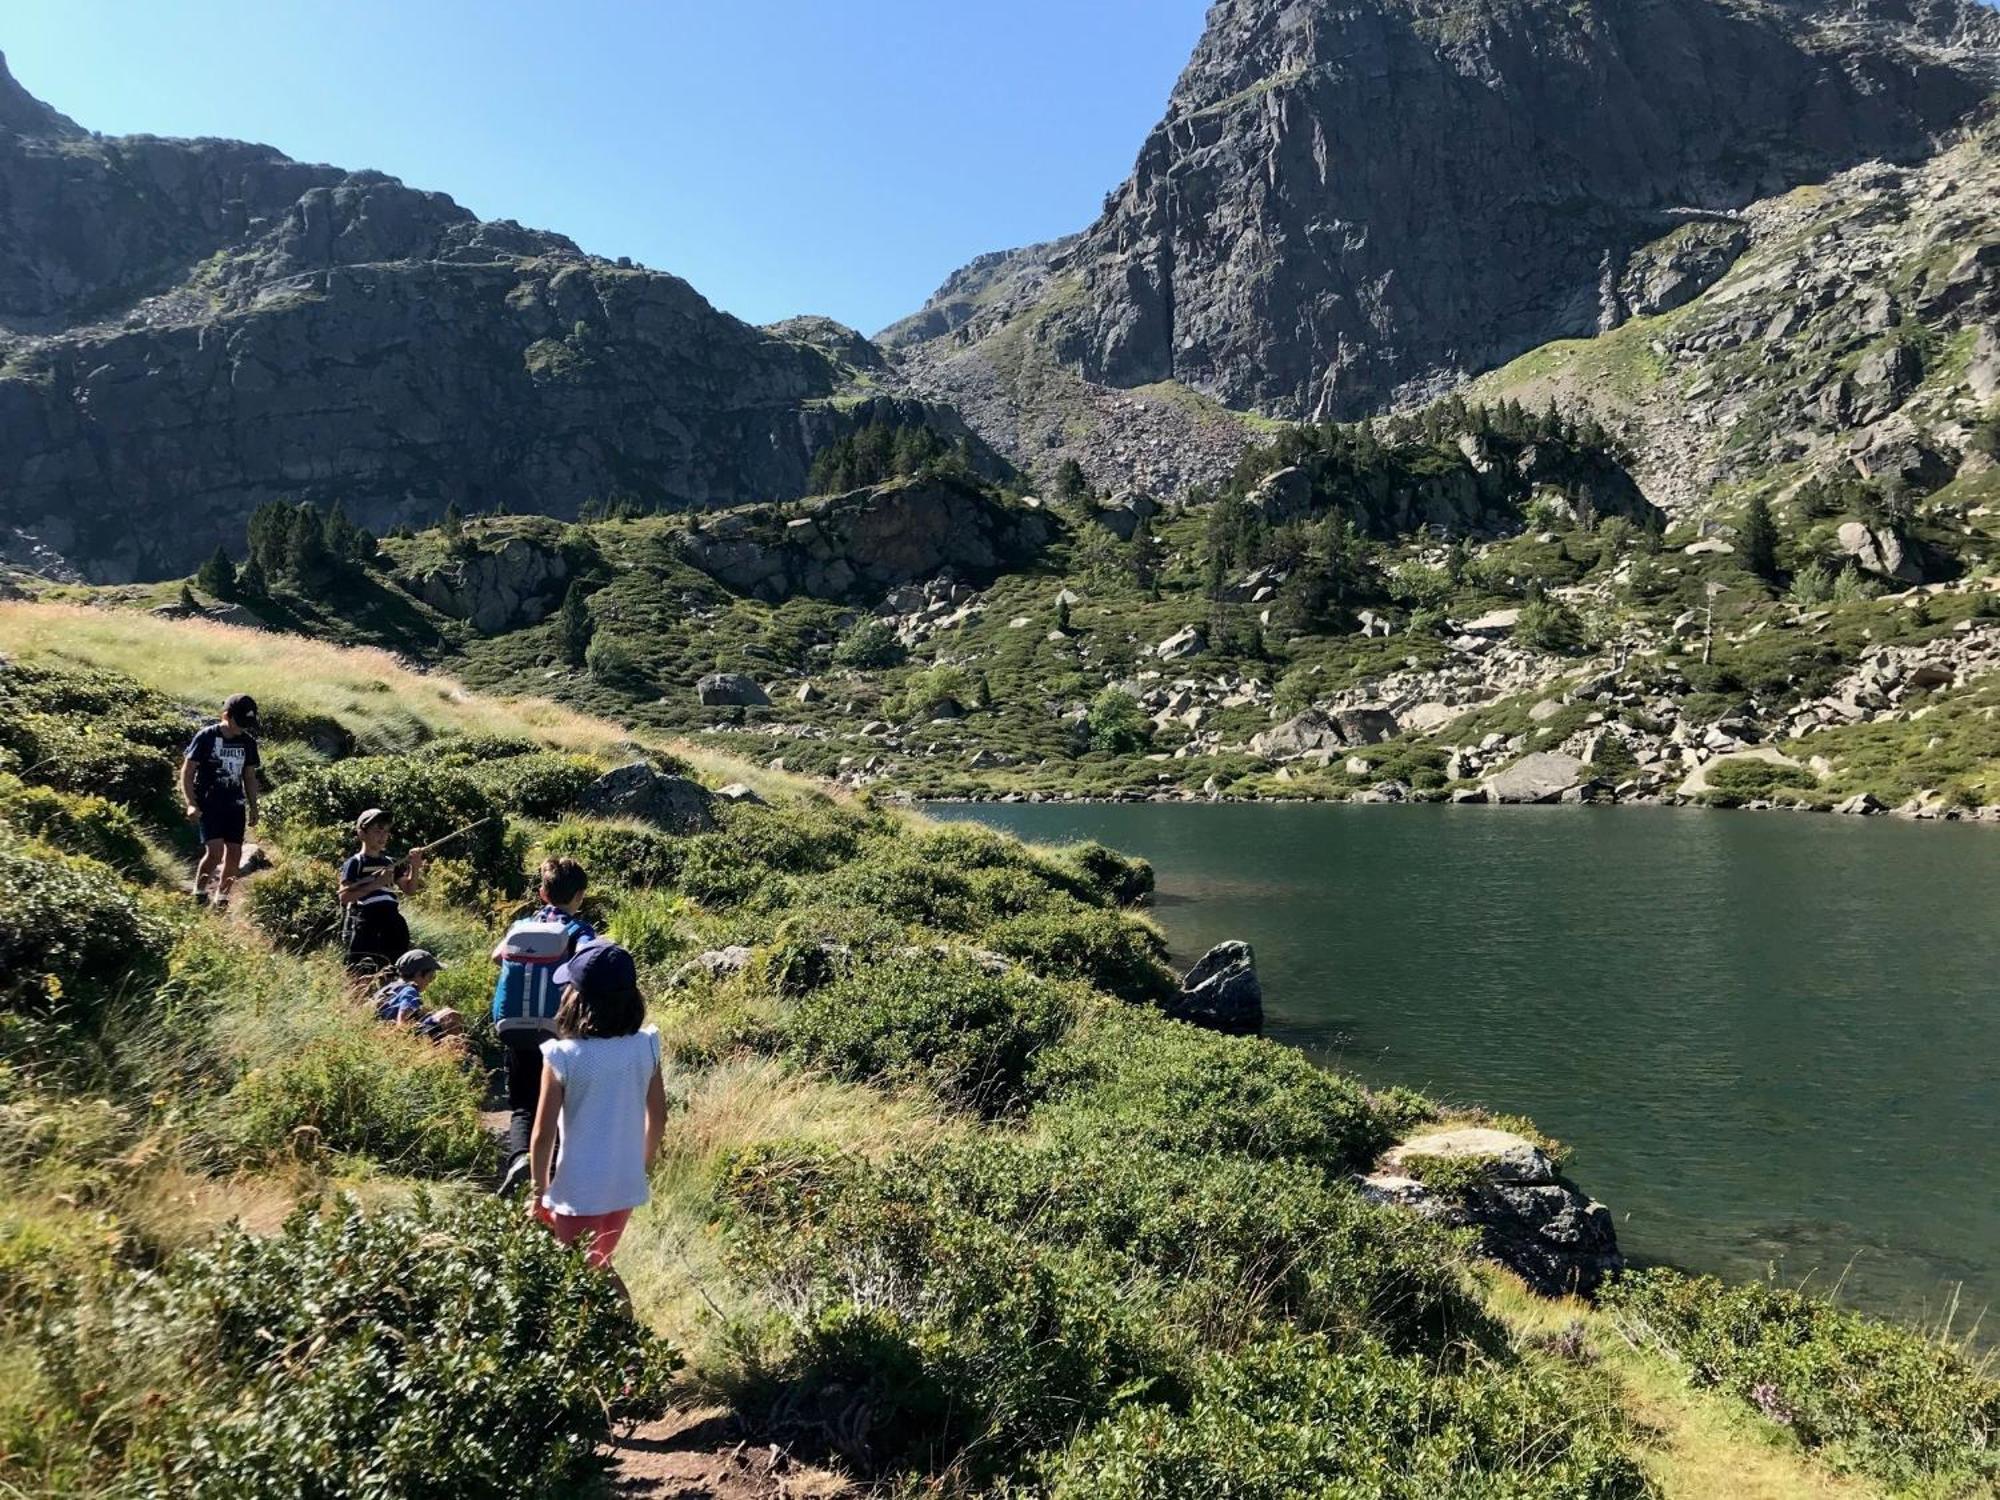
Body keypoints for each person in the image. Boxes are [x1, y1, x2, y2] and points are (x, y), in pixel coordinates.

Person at [528, 940, 665, 1288]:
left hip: (578, 1191)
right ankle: (626, 1335)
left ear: (576, 1000)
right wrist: (642, 1167)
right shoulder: (645, 1046)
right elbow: (659, 1118)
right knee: (599, 1266)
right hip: (625, 1184)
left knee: (576, 1278)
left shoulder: (562, 1056)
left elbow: (543, 1135)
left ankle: (619, 1337)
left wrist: (538, 1192)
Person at [492, 857, 597, 1198]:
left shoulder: (522, 924)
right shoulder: (578, 931)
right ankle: (553, 1176)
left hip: (515, 1025)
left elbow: (498, 956)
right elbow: (588, 966)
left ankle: (521, 1158)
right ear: (579, 896)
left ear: (541, 893)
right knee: (559, 1101)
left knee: (523, 1102)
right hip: (557, 1030)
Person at [179, 694, 261, 907]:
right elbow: (187, 772)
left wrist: (254, 807)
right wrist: (191, 803)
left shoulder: (248, 743)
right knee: (215, 853)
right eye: (240, 723)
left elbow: (249, 776)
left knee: (235, 854)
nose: (243, 728)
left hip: (235, 806)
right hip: (209, 804)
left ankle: (222, 898)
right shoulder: (206, 736)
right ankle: (199, 892)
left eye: (247, 724)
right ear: (227, 716)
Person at [339, 808, 424, 978]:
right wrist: (377, 884)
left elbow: (410, 890)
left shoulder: (390, 862)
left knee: (393, 969)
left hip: (392, 919)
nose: (383, 836)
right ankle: (357, 1000)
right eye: (377, 831)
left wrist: (414, 867)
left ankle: (387, 998)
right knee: (360, 970)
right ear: (361, 833)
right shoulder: (355, 862)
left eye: (386, 831)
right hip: (367, 919)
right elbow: (344, 896)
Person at [372, 949, 464, 1040]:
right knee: (451, 1014)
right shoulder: (410, 991)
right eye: (431, 976)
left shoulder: (391, 986)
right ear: (419, 974)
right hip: (402, 1037)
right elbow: (402, 1023)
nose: (431, 981)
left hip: (383, 1029)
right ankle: (460, 1051)